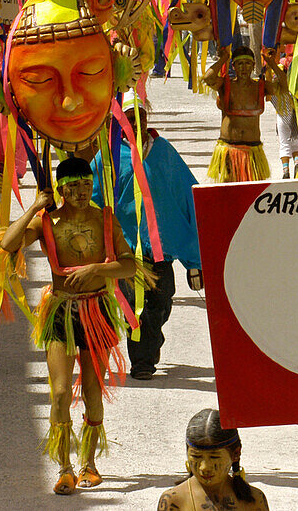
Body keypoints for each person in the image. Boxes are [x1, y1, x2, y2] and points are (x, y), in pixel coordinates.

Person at [0, 157, 140, 494]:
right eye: (72, 186)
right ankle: (64, 469)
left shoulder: (103, 218)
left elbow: (129, 266)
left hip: (96, 311)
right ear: (61, 189)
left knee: (92, 391)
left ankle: (89, 464)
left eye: (85, 184)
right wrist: (34, 205)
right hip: (60, 311)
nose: (80, 191)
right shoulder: (47, 221)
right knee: (60, 392)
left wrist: (96, 271)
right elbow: (7, 244)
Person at [91, 92, 202, 381]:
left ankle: (150, 345)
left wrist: (195, 260)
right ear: (118, 122)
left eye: (139, 117)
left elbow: (188, 197)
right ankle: (142, 362)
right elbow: (91, 198)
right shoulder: (109, 155)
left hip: (161, 250)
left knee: (163, 302)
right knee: (136, 307)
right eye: (128, 119)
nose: (135, 123)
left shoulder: (164, 152)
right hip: (127, 252)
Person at [204, 45, 287, 182]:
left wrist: (272, 64)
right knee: (228, 193)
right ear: (234, 66)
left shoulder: (261, 86)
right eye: (240, 64)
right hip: (229, 149)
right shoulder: (225, 85)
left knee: (251, 195)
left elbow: (284, 87)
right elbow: (208, 78)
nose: (244, 68)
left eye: (248, 63)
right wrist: (223, 58)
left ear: (253, 65)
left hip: (253, 151)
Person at [158, 409, 269, 510]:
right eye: (196, 456)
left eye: (214, 457)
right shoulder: (174, 501)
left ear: (236, 454)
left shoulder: (254, 500)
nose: (204, 467)